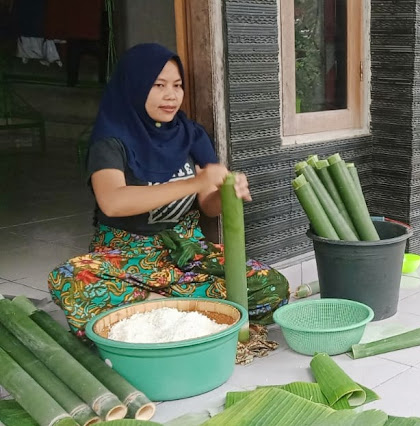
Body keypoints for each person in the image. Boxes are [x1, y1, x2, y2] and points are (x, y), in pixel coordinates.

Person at [48, 43, 289, 337]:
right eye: (158, 85)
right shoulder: (110, 140)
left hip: (186, 254)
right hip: (125, 257)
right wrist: (194, 182)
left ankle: (159, 311)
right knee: (70, 279)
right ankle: (193, 315)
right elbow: (112, 201)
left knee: (271, 285)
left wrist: (227, 194)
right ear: (134, 87)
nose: (171, 95)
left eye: (177, 85)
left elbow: (208, 206)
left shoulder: (190, 135)